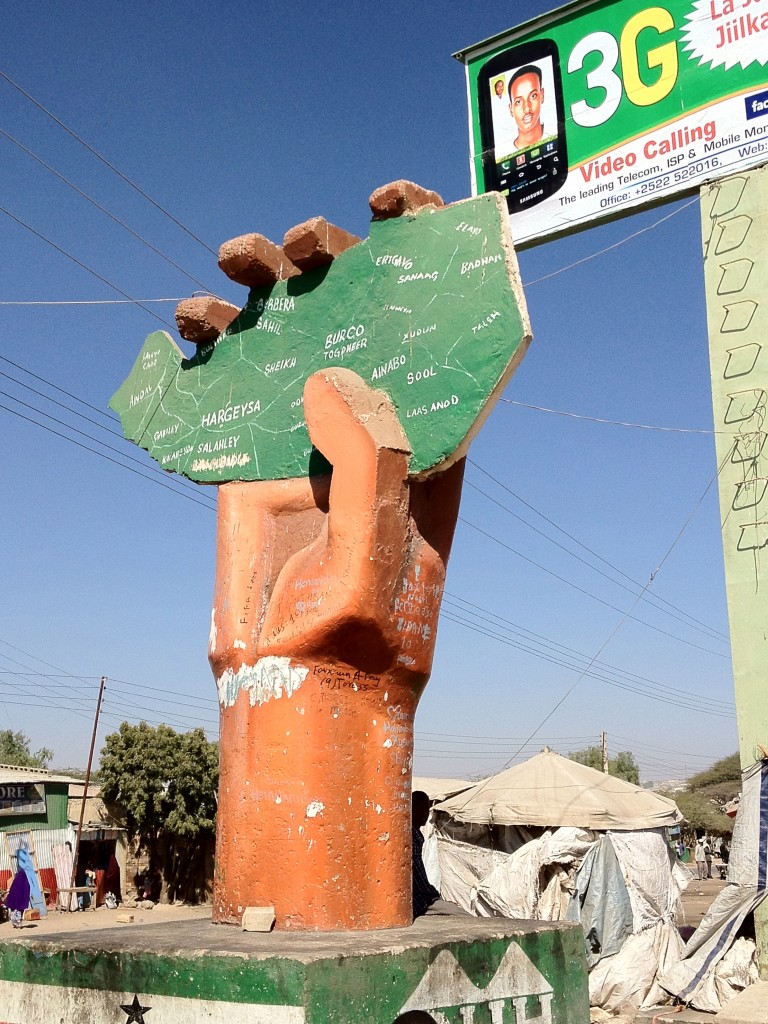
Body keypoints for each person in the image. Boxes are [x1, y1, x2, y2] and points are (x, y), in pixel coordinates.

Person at [411, 791, 468, 918]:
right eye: (421, 810)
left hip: (421, 898)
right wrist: (435, 897)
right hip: (419, 901)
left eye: (427, 811)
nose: (425, 815)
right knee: (464, 916)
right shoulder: (412, 836)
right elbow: (418, 877)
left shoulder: (416, 834)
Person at [508, 64, 546, 150]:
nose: (527, 109)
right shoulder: (502, 154)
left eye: (533, 96)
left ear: (542, 95)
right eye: (518, 102)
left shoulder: (558, 133)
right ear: (511, 109)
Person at [5, 857, 31, 928]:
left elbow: (12, 892)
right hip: (21, 901)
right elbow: (27, 890)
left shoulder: (15, 882)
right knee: (19, 911)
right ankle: (18, 923)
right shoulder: (25, 881)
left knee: (14, 911)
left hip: (15, 901)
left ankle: (15, 923)